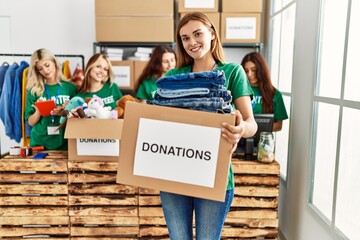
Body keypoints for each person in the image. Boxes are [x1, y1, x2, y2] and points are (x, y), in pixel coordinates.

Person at [159, 12, 258, 240]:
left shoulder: (233, 72)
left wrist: (241, 129)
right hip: (175, 172)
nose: (191, 43)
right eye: (185, 38)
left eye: (197, 34)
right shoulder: (174, 76)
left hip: (215, 173)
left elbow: (250, 122)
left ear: (212, 34)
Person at [25, 48, 78, 150]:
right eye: (40, 68)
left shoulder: (70, 88)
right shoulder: (34, 90)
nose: (45, 70)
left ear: (54, 62)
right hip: (40, 144)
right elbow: (30, 122)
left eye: (47, 65)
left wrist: (67, 110)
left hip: (65, 143)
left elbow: (78, 118)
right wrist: (38, 111)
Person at [241, 52, 288, 131]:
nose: (249, 74)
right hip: (240, 140)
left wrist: (252, 128)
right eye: (246, 71)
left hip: (262, 140)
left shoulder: (275, 94)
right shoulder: (238, 91)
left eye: (254, 70)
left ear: (261, 70)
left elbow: (279, 126)